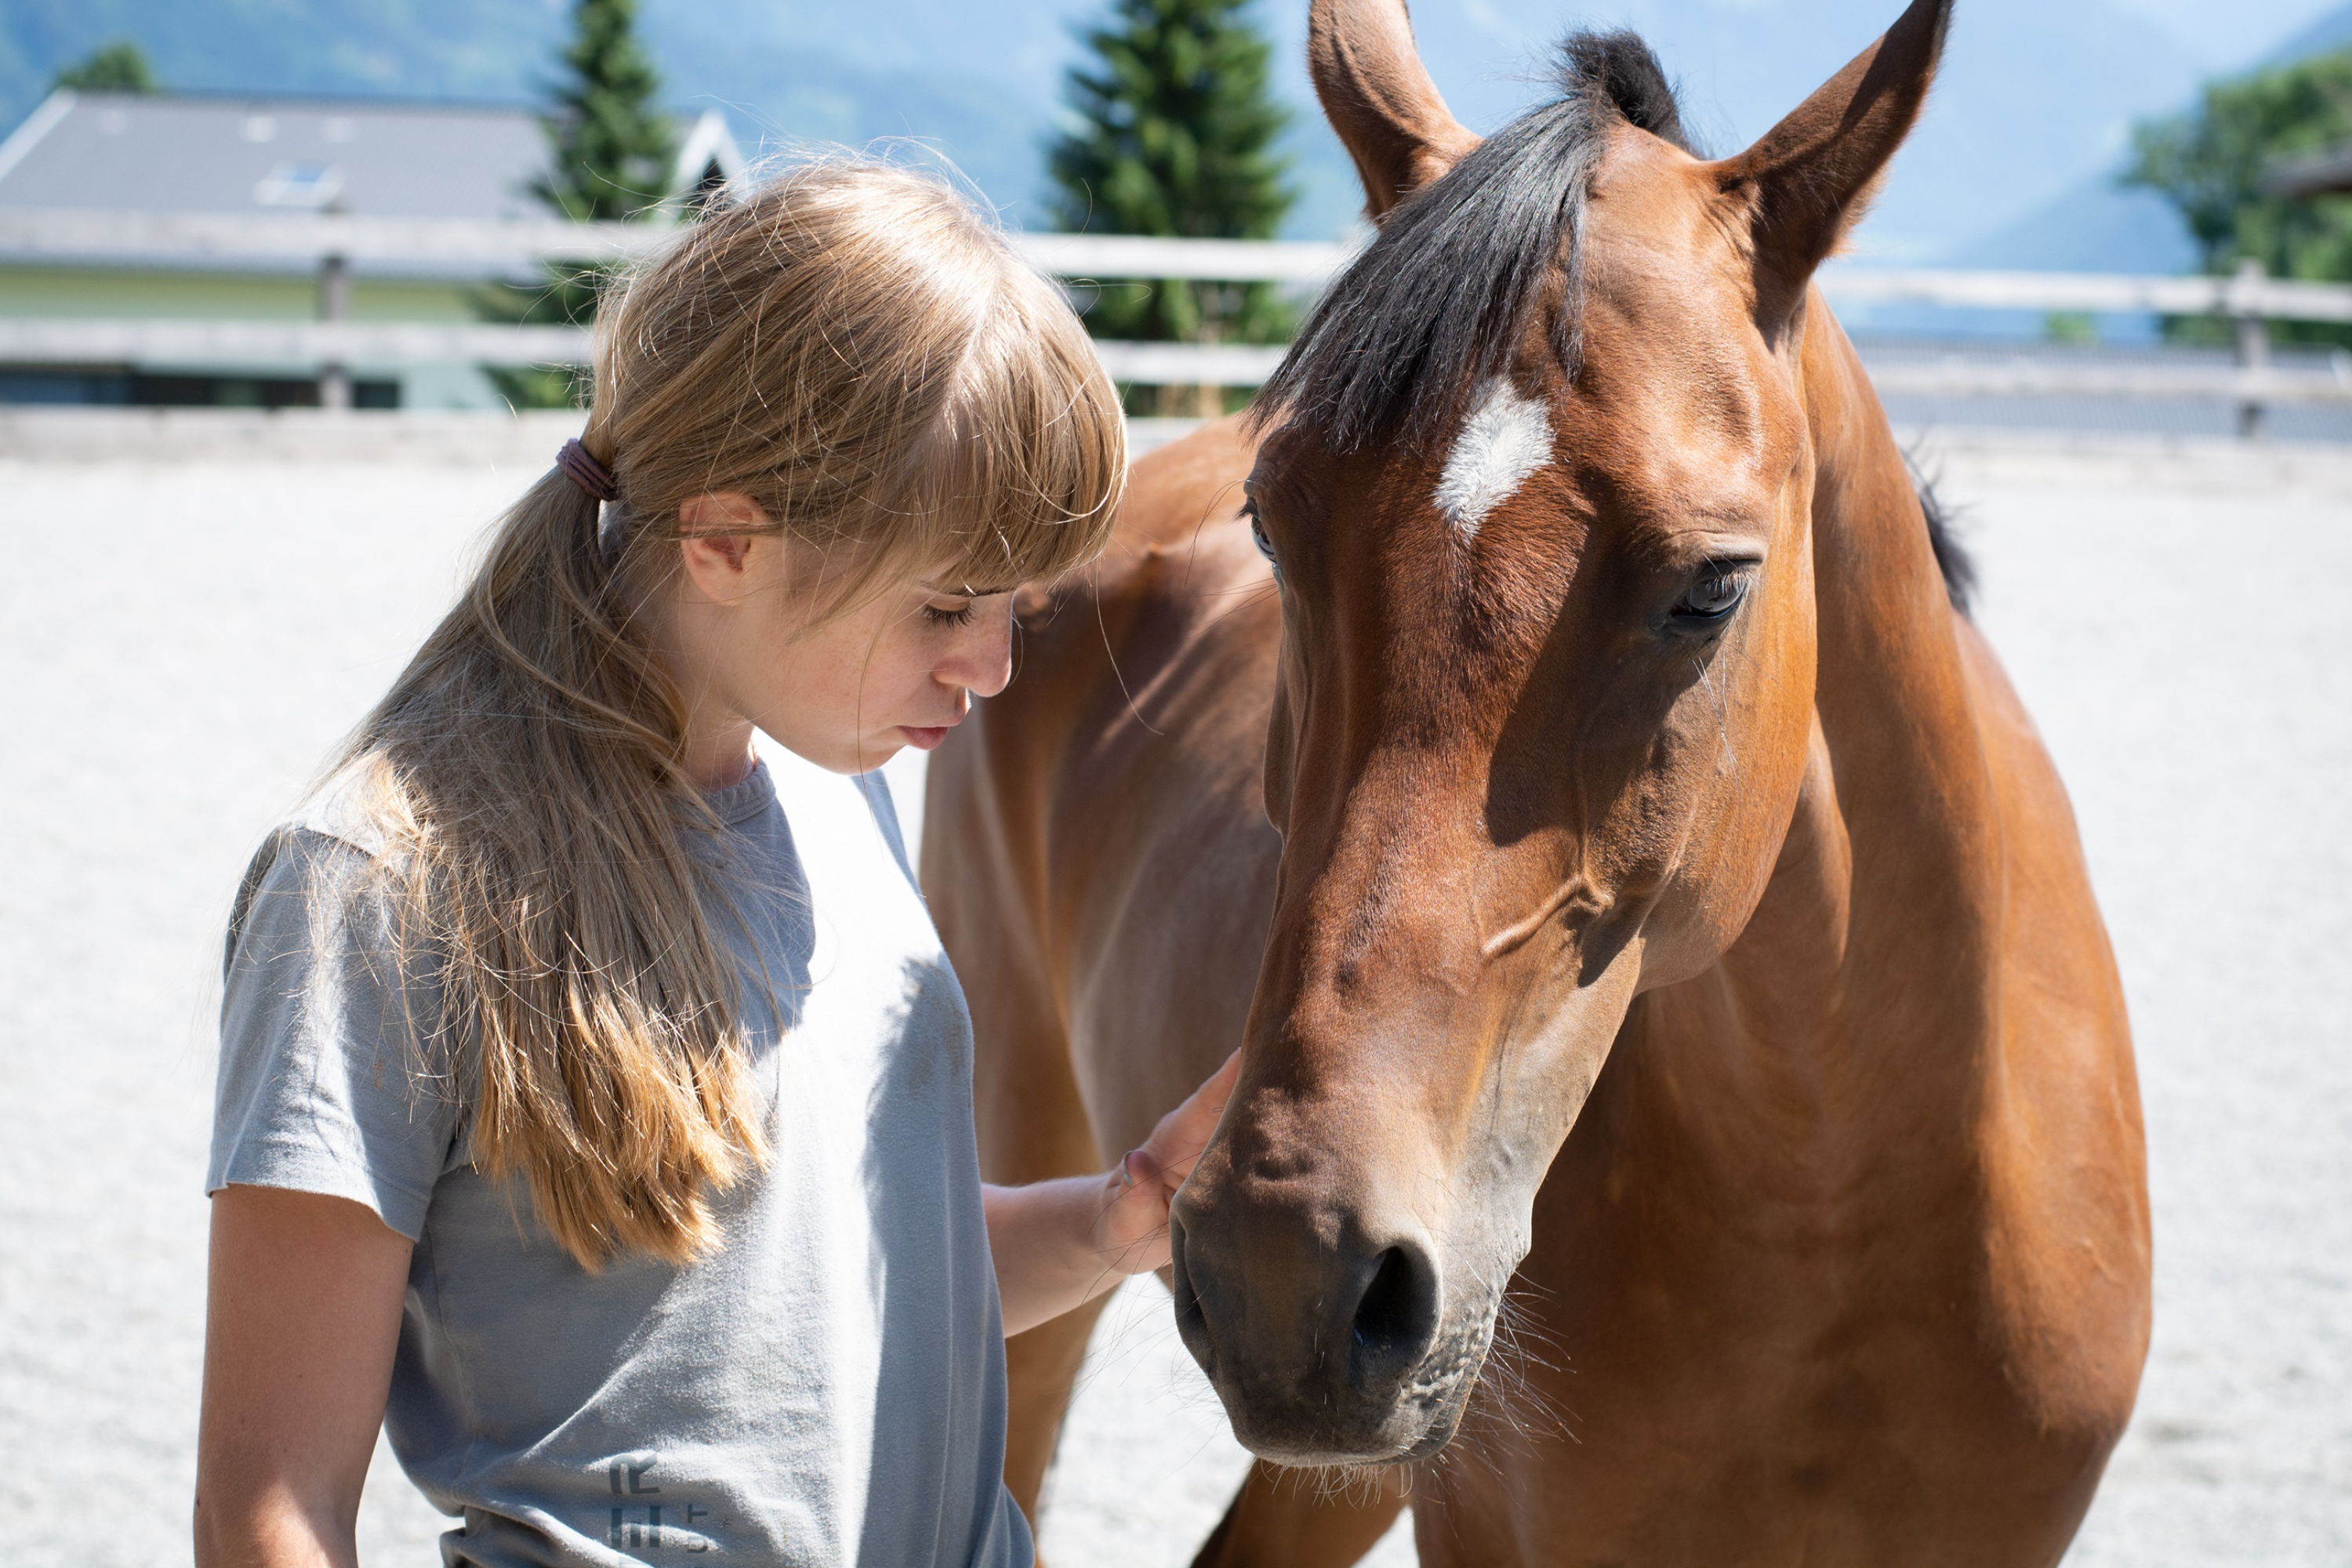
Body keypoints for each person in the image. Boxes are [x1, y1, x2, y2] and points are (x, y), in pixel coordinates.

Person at [194, 159, 1236, 1568]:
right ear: (727, 542)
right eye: (945, 608)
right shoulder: (377, 883)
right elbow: (268, 1510)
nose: (991, 669)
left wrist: (1114, 1223)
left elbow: (832, 1305)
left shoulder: (837, 786)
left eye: (1014, 611)